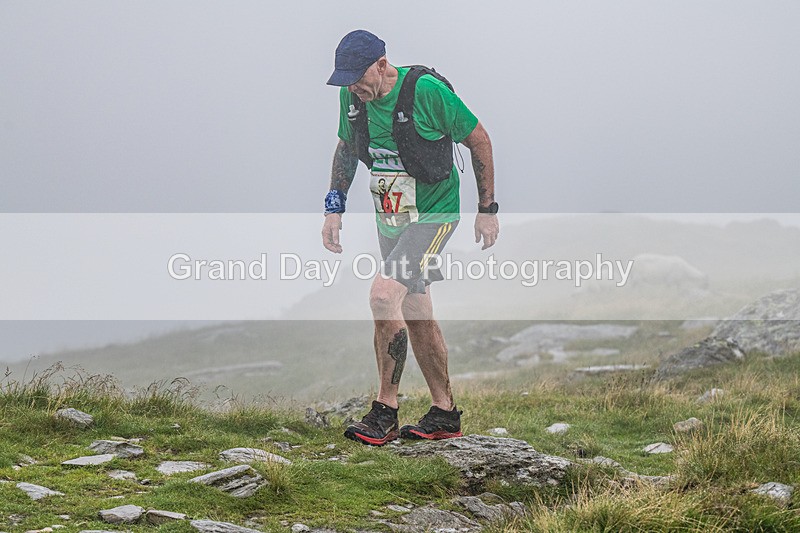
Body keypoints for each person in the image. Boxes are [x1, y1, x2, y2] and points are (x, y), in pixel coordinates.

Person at [321, 30, 499, 446]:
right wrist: (334, 207)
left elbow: (480, 140)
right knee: (416, 310)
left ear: (382, 65)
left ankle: (385, 411)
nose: (353, 87)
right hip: (391, 218)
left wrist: (487, 209)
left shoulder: (427, 92)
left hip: (434, 215)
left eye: (359, 77)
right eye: (345, 79)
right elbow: (347, 148)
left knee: (384, 296)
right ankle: (444, 412)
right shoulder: (352, 96)